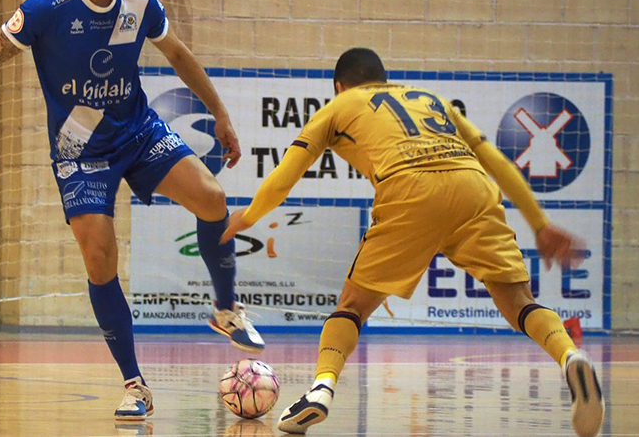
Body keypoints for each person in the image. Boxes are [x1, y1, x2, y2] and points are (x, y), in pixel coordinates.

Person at [0, 0, 263, 422]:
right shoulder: (46, 9)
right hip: (79, 150)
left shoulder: (138, 1)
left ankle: (225, 309)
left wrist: (220, 114)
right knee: (99, 257)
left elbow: (177, 54)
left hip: (137, 131)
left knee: (212, 198)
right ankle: (135, 384)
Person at [221, 48, 604, 437]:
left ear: (339, 86)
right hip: (473, 188)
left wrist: (248, 216)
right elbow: (496, 161)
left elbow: (286, 175)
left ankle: (321, 389)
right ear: (383, 78)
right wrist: (539, 224)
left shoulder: (338, 107)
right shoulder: (432, 99)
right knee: (519, 301)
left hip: (410, 189)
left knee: (352, 307)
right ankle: (569, 355)